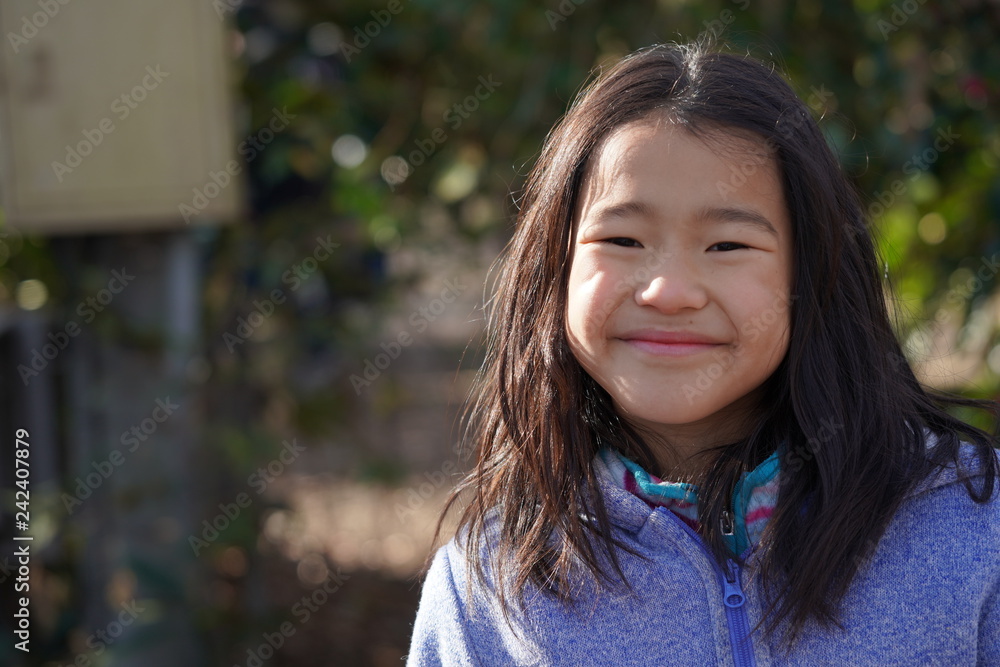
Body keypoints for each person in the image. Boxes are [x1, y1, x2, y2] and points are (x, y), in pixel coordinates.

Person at [405, 41, 1000, 665]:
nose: (668, 292)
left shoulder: (970, 528)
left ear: (813, 273)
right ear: (555, 267)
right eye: (624, 238)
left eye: (726, 246)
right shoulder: (489, 591)